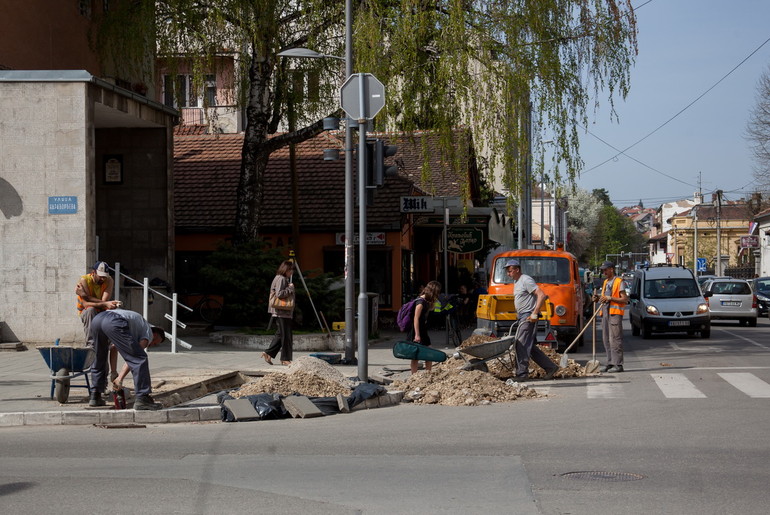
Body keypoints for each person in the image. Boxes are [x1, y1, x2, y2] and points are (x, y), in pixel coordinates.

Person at [88, 308, 165, 410]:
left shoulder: (135, 326)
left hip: (98, 319)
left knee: (99, 357)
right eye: (155, 342)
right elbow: (133, 358)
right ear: (155, 334)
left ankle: (95, 395)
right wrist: (120, 378)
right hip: (114, 320)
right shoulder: (148, 332)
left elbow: (114, 348)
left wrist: (114, 372)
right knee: (140, 358)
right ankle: (143, 398)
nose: (151, 344)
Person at [505, 259, 559, 381]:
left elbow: (541, 295)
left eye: (510, 271)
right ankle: (550, 367)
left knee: (521, 345)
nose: (508, 274)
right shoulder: (517, 282)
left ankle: (522, 375)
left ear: (517, 270)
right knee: (529, 346)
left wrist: (534, 313)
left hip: (528, 316)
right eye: (507, 272)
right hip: (523, 316)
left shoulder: (525, 279)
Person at [75, 261, 120, 382]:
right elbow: (85, 303)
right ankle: (91, 342)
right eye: (100, 276)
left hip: (101, 312)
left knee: (104, 345)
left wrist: (89, 297)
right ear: (93, 272)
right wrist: (104, 303)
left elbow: (102, 301)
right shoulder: (84, 280)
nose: (102, 279)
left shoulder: (109, 280)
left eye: (104, 276)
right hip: (87, 313)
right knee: (90, 310)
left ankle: (107, 378)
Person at [593, 260, 629, 373]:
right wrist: (597, 298)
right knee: (606, 340)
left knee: (615, 339)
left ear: (611, 269)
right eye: (602, 270)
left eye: (605, 270)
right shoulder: (605, 282)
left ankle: (618, 364)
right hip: (605, 313)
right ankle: (610, 362)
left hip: (615, 314)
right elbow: (604, 297)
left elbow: (625, 299)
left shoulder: (619, 282)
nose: (603, 272)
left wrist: (610, 298)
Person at [263, 260, 296, 366]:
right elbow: (279, 294)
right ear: (286, 269)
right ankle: (285, 359)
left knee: (280, 334)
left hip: (281, 312)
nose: (292, 273)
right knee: (286, 336)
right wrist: (290, 289)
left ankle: (268, 353)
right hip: (282, 311)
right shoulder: (281, 279)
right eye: (291, 270)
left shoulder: (280, 278)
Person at [407, 280, 442, 374]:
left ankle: (427, 374)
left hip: (423, 331)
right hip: (416, 331)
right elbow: (416, 319)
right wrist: (417, 335)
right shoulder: (420, 303)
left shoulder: (426, 301)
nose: (437, 295)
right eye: (437, 292)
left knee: (428, 353)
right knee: (415, 355)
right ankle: (414, 376)